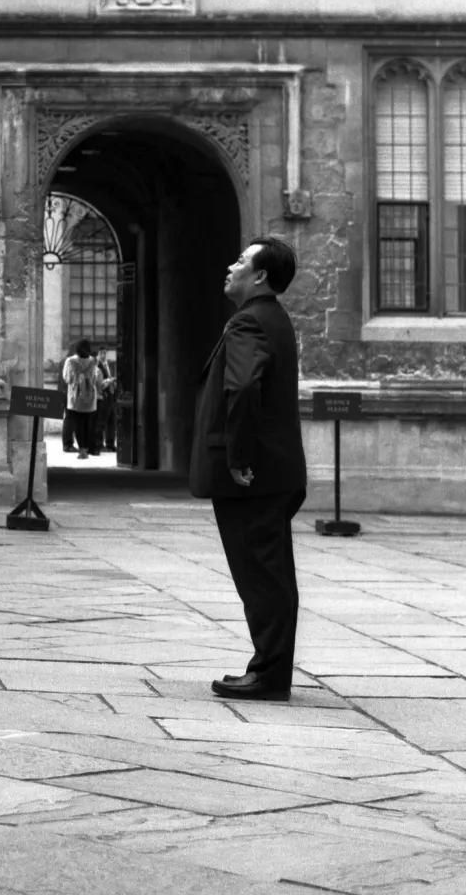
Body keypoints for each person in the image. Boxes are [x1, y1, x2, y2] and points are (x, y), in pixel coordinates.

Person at [190, 237, 307, 701]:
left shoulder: (249, 322)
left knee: (261, 577)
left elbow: (242, 390)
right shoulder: (273, 318)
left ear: (259, 276)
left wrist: (238, 459)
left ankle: (268, 674)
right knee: (272, 574)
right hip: (277, 474)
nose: (230, 264)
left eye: (240, 260)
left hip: (254, 478)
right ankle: (271, 670)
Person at [61, 339, 103, 459]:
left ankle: (82, 451)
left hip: (75, 400)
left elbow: (67, 378)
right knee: (89, 425)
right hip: (90, 400)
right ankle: (90, 448)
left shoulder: (70, 361)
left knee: (78, 425)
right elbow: (95, 379)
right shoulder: (93, 361)